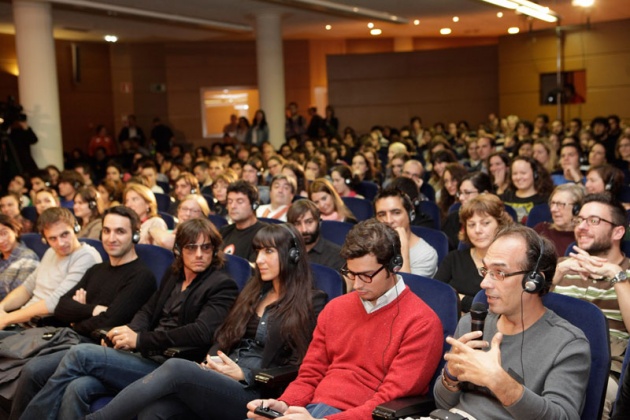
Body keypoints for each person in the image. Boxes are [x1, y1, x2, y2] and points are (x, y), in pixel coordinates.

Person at [85, 224, 327, 419]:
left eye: (268, 252)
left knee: (176, 367)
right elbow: (224, 335)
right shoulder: (254, 292)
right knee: (155, 411)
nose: (259, 259)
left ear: (292, 255)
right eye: (258, 252)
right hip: (220, 378)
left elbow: (303, 363)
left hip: (255, 391)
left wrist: (245, 373)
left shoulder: (312, 301)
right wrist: (208, 364)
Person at [20, 218, 239, 419]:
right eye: (191, 247)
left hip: (170, 366)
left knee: (80, 354)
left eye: (206, 247)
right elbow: (147, 310)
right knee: (78, 387)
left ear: (214, 250)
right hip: (146, 356)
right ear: (179, 250)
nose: (199, 254)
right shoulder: (175, 275)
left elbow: (200, 332)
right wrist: (128, 334)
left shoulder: (221, 284)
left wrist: (140, 339)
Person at [246, 219, 443, 419]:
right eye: (351, 273)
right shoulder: (335, 308)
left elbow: (388, 401)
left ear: (394, 266)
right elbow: (310, 374)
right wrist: (283, 404)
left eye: (366, 275)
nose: (356, 284)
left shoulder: (422, 323)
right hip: (315, 409)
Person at [8, 206, 157, 418]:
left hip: (97, 346)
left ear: (134, 234)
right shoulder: (97, 269)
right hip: (72, 338)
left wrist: (76, 319)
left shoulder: (141, 276)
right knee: (26, 367)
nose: (111, 238)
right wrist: (90, 310)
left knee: (34, 371)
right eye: (106, 231)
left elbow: (111, 319)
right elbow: (61, 306)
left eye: (120, 231)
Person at [433, 225, 590, 419]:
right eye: (486, 271)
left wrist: (500, 383)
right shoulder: (472, 324)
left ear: (533, 282)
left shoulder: (568, 344)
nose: (484, 284)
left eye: (499, 273)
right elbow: (442, 404)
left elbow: (563, 417)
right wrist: (450, 376)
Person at [552, 193, 630, 416]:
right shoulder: (560, 266)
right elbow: (521, 311)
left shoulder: (627, 275)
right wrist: (556, 274)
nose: (582, 227)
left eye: (593, 221)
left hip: (603, 370)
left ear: (618, 231)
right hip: (550, 355)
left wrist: (617, 276)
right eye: (580, 220)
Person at [0, 208, 101, 330]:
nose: (60, 243)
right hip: (23, 322)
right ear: (45, 239)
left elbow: (55, 303)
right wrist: (2, 307)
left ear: (75, 229)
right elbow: (27, 288)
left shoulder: (86, 256)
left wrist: (7, 319)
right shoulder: (50, 252)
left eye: (65, 234)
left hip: (47, 327)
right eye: (52, 238)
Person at [435, 194, 512, 313]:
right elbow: (436, 293)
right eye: (471, 225)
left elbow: (504, 304)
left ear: (500, 225)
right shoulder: (453, 259)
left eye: (485, 223)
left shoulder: (510, 262)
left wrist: (461, 299)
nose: (477, 230)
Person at [374, 188, 438, 277]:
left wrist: (403, 248)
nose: (388, 220)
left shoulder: (426, 255)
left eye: (396, 213)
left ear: (410, 215)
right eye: (382, 215)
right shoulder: (371, 245)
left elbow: (406, 288)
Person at [287, 199, 345, 271]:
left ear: (319, 222)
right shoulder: (284, 250)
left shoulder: (336, 255)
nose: (304, 229)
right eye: (297, 224)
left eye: (309, 222)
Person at [441, 172, 493, 250]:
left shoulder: (495, 219)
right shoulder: (452, 218)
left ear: (484, 194)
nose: (461, 197)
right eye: (460, 193)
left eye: (467, 193)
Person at [220, 180, 266, 261]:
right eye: (230, 201)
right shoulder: (223, 232)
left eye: (240, 201)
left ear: (254, 205)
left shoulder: (264, 234)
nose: (233, 206)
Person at [533, 184, 585, 256]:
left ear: (577, 209)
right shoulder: (541, 230)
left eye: (560, 204)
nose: (553, 209)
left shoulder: (584, 236)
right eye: (552, 203)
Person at [500, 156, 553, 224]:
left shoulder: (545, 200)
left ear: (535, 174)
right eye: (515, 173)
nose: (518, 177)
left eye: (523, 173)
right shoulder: (505, 197)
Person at [0, 215, 39, 300]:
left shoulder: (28, 257)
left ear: (15, 231)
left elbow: (19, 296)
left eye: (4, 233)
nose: (1, 240)